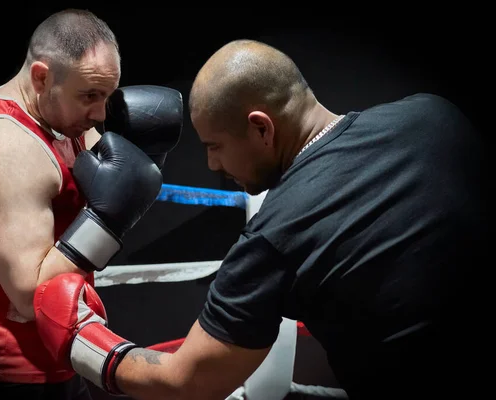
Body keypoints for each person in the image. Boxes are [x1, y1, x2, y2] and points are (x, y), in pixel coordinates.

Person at [31, 39, 488, 400]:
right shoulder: (436, 115)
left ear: (261, 128)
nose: (211, 165)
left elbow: (187, 383)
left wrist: (80, 341)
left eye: (214, 146)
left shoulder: (276, 235)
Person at [0, 8, 183, 400]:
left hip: (63, 354)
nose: (100, 114)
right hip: (8, 371)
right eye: (89, 96)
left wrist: (143, 168)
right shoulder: (10, 148)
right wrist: (107, 220)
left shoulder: (68, 122)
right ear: (42, 77)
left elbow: (109, 201)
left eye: (107, 96)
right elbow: (29, 296)